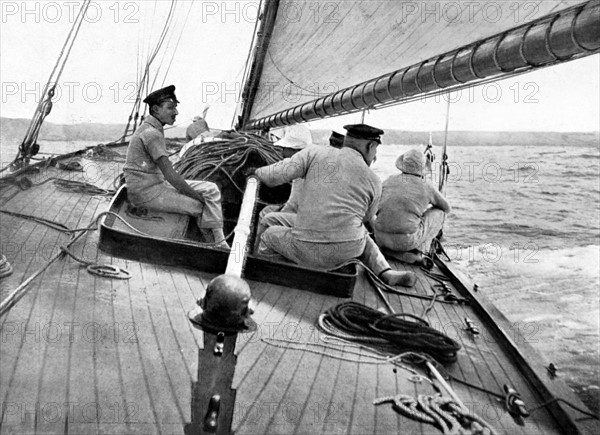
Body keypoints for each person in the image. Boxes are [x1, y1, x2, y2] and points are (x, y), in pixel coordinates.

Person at [254, 124, 417, 287]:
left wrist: (255, 173)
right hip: (348, 250)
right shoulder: (374, 180)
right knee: (361, 232)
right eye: (375, 150)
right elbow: (366, 217)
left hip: (308, 247)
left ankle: (283, 272)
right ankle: (385, 272)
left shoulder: (313, 153)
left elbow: (272, 177)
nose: (374, 155)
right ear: (371, 146)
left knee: (267, 236)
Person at [123, 85, 229, 248]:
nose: (176, 113)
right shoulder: (152, 134)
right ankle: (217, 247)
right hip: (147, 193)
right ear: (156, 109)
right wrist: (195, 195)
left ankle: (219, 242)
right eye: (171, 108)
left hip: (154, 185)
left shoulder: (150, 129)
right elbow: (170, 175)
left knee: (211, 189)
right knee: (200, 207)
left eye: (176, 108)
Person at [372, 148, 451, 264]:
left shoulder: (389, 180)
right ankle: (421, 252)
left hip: (380, 237)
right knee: (440, 213)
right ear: (423, 168)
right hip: (405, 242)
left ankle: (390, 251)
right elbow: (447, 208)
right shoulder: (426, 186)